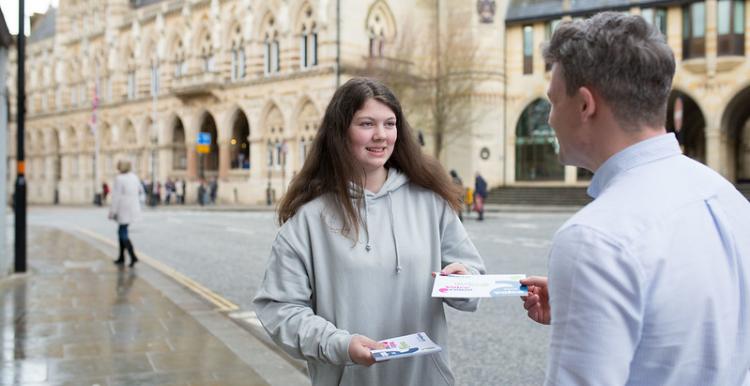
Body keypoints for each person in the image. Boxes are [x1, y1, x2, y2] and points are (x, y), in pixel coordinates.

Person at [520, 12, 750, 385]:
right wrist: (590, 302)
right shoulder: (729, 199)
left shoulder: (594, 239)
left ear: (584, 105)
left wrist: (592, 277)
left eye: (553, 101)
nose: (548, 119)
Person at [253, 78, 486, 386]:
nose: (381, 135)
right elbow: (280, 310)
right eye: (366, 123)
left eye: (390, 124)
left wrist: (461, 280)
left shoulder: (431, 203)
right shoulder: (308, 220)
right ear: (340, 132)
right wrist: (340, 345)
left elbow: (475, 282)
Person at [108, 160, 144, 267]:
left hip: (123, 208)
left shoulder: (119, 179)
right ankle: (122, 257)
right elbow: (140, 191)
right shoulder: (134, 177)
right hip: (132, 208)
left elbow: (116, 197)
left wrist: (112, 212)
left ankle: (132, 256)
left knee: (122, 233)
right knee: (122, 231)